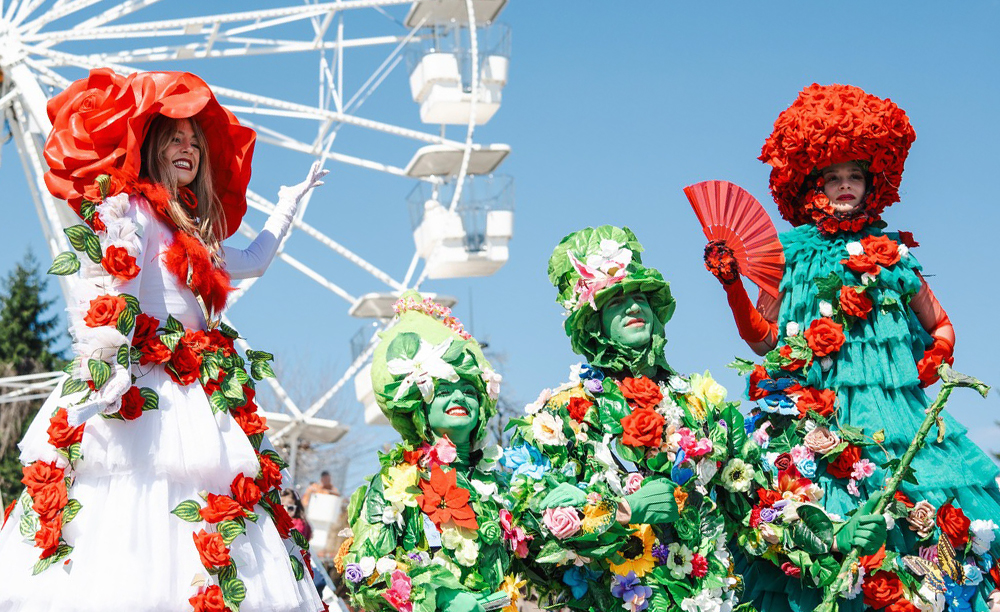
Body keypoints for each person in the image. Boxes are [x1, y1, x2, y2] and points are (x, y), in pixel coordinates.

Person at [0, 69, 325, 611]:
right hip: (148, 379)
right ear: (151, 145)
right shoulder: (138, 213)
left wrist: (288, 204)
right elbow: (119, 281)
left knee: (207, 503)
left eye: (195, 142)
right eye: (176, 137)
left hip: (198, 384)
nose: (188, 148)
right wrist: (111, 362)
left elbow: (252, 262)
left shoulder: (191, 227)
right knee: (136, 496)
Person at [705, 83, 1000, 611]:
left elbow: (942, 325)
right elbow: (763, 339)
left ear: (871, 183)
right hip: (811, 418)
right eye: (834, 176)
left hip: (896, 420)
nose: (845, 186)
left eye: (855, 176)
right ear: (813, 183)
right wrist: (731, 286)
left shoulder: (892, 255)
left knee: (920, 535)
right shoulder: (788, 254)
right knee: (803, 533)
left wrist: (936, 359)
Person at [501, 226, 742, 612]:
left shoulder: (700, 405)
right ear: (593, 325)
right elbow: (527, 530)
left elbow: (751, 508)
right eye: (614, 302)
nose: (633, 308)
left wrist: (833, 539)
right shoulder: (562, 414)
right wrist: (621, 510)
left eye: (640, 298)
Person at [337, 292, 519, 612]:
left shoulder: (498, 483)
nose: (460, 397)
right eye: (445, 389)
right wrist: (441, 598)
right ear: (420, 405)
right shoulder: (399, 482)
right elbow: (363, 573)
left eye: (469, 389)